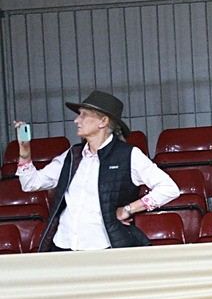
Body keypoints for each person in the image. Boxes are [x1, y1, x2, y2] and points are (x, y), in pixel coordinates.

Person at [14, 90, 179, 251]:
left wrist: (128, 209)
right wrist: (25, 152)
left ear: (103, 121)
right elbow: (30, 183)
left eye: (84, 115)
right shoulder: (72, 155)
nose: (77, 120)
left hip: (103, 246)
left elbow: (169, 189)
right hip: (63, 244)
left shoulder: (129, 155)